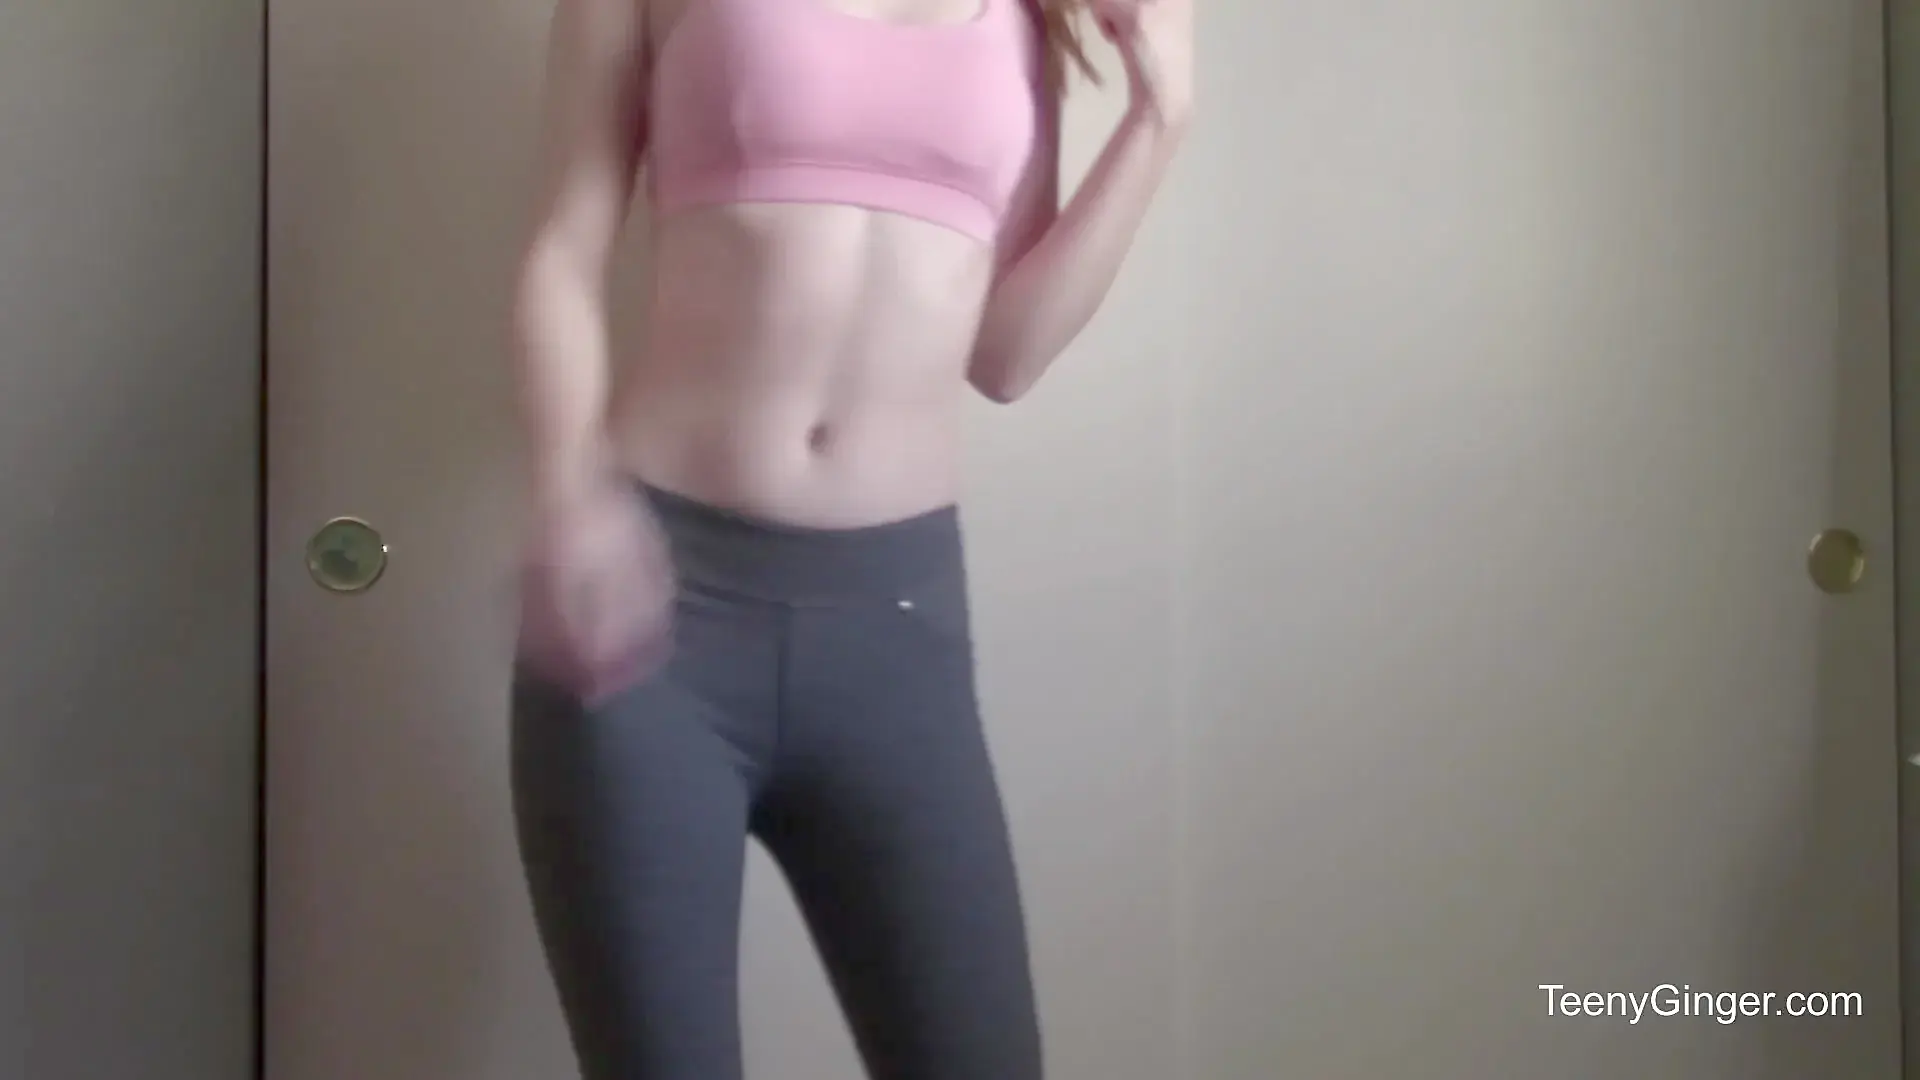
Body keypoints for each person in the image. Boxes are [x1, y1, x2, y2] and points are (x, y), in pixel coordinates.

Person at [505, 0, 1191, 1075]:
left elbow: (1007, 354)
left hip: (897, 636)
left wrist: (1159, 118)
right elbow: (561, 250)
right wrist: (567, 494)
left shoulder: (1026, 17)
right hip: (656, 615)